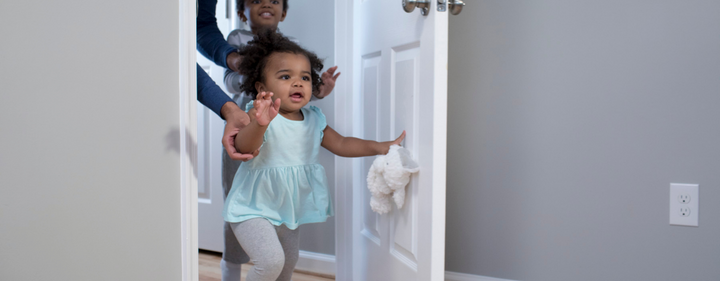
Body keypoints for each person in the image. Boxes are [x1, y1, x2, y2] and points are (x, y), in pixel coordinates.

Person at [224, 31, 405, 281]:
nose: (298, 83)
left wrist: (380, 147)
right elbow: (244, 146)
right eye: (286, 76)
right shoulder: (258, 117)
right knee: (271, 261)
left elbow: (342, 143)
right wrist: (260, 123)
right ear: (262, 88)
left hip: (289, 209)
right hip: (252, 208)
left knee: (287, 263)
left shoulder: (313, 120)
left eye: (305, 77)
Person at [217, 1, 340, 280]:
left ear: (283, 12)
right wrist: (256, 70)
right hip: (245, 131)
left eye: (274, 1)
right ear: (241, 12)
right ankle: (231, 268)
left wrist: (321, 89)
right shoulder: (237, 39)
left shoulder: (291, 46)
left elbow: (299, 89)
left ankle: (272, 259)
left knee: (278, 209)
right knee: (238, 205)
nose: (266, 4)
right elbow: (229, 81)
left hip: (283, 138)